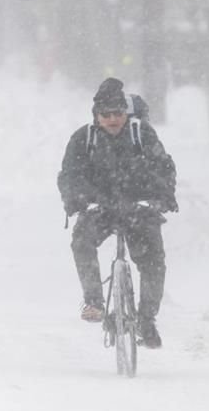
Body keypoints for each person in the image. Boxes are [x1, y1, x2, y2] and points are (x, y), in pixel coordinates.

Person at [57, 78, 178, 349]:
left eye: (118, 113)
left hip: (137, 208)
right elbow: (69, 175)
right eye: (106, 114)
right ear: (96, 116)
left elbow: (163, 167)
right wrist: (77, 200)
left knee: (153, 260)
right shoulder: (83, 139)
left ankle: (146, 318)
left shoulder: (142, 134)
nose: (113, 119)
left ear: (126, 113)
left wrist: (162, 197)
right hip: (99, 209)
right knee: (82, 242)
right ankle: (94, 301)